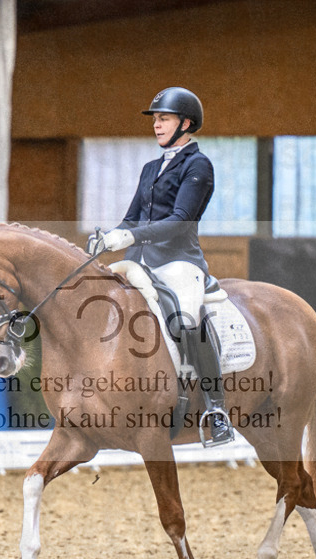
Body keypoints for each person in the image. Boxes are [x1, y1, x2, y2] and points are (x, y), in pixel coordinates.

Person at [87, 86, 231, 444]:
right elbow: (132, 218)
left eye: (164, 119)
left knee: (185, 318)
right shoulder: (151, 167)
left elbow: (181, 219)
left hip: (180, 262)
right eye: (155, 119)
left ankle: (216, 407)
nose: (157, 125)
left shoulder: (198, 165)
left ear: (185, 123)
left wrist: (132, 238)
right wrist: (109, 237)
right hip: (140, 262)